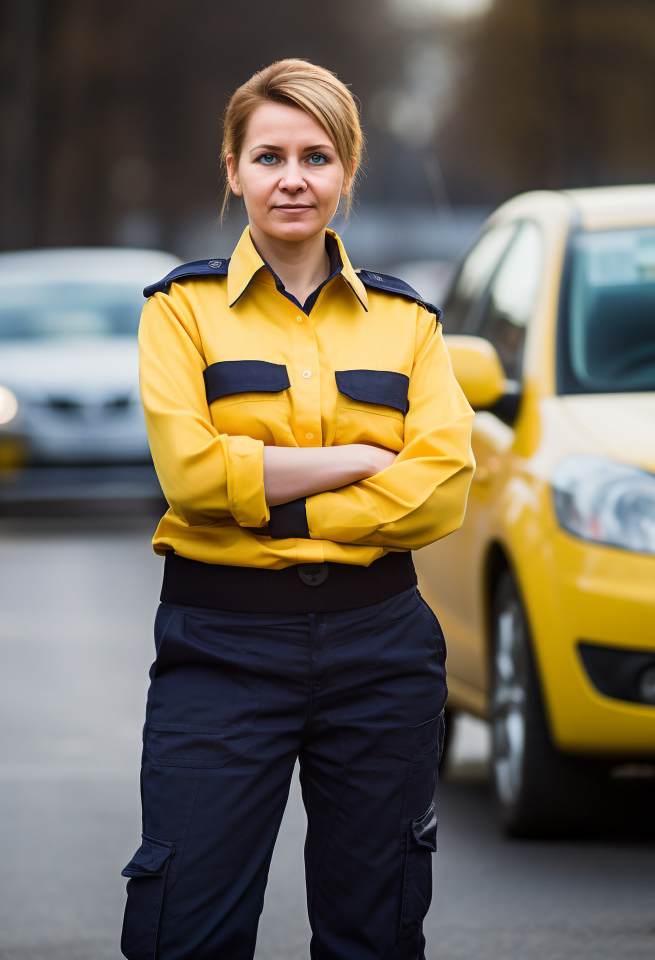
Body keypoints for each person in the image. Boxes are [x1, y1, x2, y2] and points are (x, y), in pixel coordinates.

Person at [120, 58, 475, 960]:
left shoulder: (411, 325)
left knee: (376, 933)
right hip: (220, 647)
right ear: (232, 169)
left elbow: (441, 485)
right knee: (185, 932)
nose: (292, 179)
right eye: (268, 156)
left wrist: (275, 499)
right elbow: (192, 478)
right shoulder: (180, 312)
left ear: (346, 174)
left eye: (316, 157)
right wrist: (359, 460)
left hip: (382, 647)